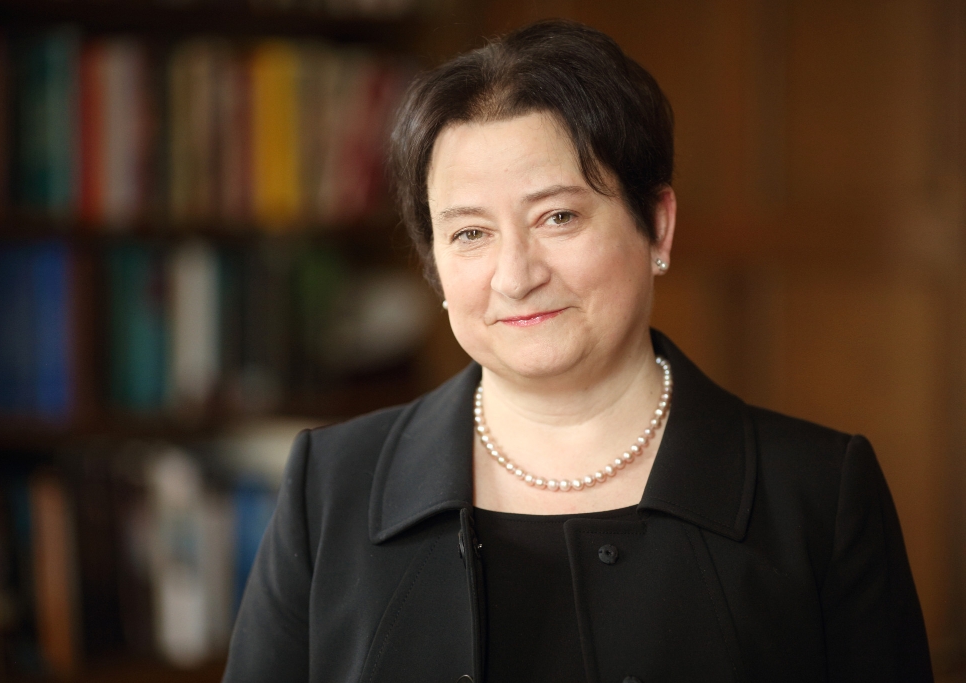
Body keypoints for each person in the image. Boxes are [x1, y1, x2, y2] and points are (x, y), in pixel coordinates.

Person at [223, 19, 932, 683]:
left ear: (656, 226)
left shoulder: (819, 492)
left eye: (558, 217)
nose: (516, 274)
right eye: (470, 233)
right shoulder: (332, 485)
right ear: (434, 264)